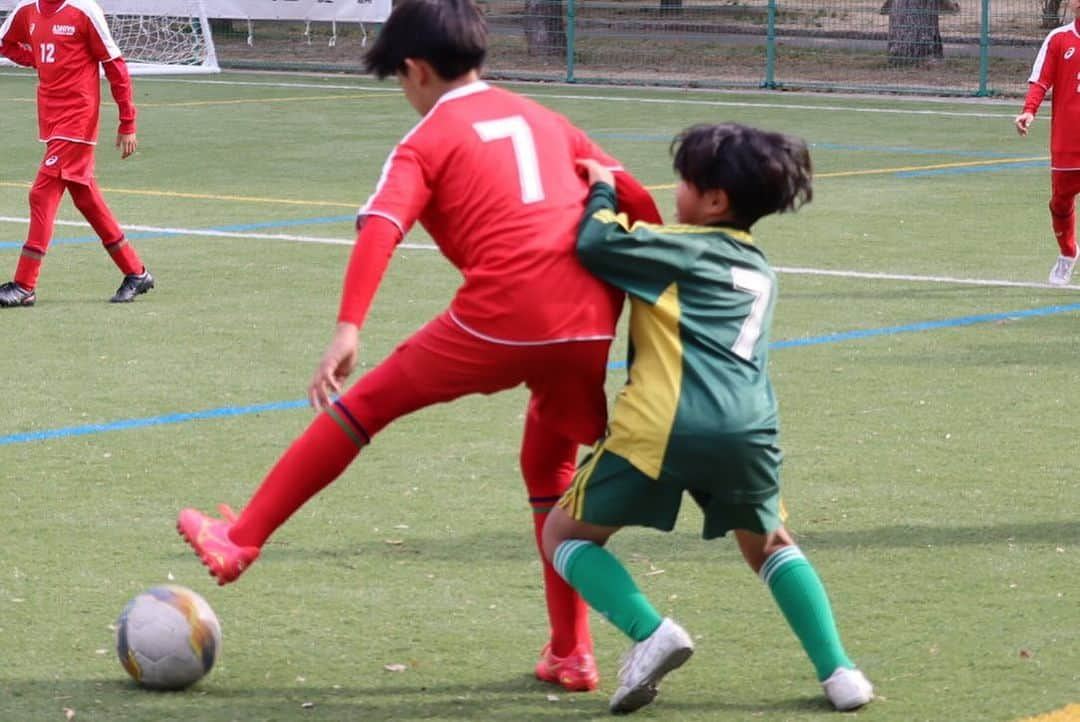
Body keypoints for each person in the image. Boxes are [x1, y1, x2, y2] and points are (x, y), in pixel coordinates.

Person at [176, 0, 661, 692]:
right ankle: (571, 652)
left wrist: (348, 327)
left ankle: (241, 537)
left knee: (362, 407)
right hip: (588, 325)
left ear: (415, 69)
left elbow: (381, 225)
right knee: (546, 467)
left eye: (400, 83)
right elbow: (635, 199)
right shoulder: (546, 119)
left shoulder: (428, 139)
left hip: (502, 315)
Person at [541, 123, 875, 714]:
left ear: (715, 200)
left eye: (685, 182)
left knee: (563, 535)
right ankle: (840, 671)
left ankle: (651, 633)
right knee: (770, 545)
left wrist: (599, 189)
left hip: (664, 425)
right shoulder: (761, 270)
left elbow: (594, 244)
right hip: (751, 432)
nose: (675, 191)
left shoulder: (680, 248)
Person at [0, 0, 153, 308]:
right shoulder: (27, 10)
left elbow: (115, 66)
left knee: (41, 194)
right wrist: (35, 60)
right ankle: (136, 273)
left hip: (79, 118)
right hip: (51, 118)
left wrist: (128, 122)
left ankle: (25, 284)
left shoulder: (84, 11)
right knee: (86, 199)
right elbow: (4, 43)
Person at [1015, 0, 1080, 286]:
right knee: (1060, 202)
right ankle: (1068, 253)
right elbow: (1041, 80)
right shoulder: (1059, 39)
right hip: (1067, 140)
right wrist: (1029, 110)